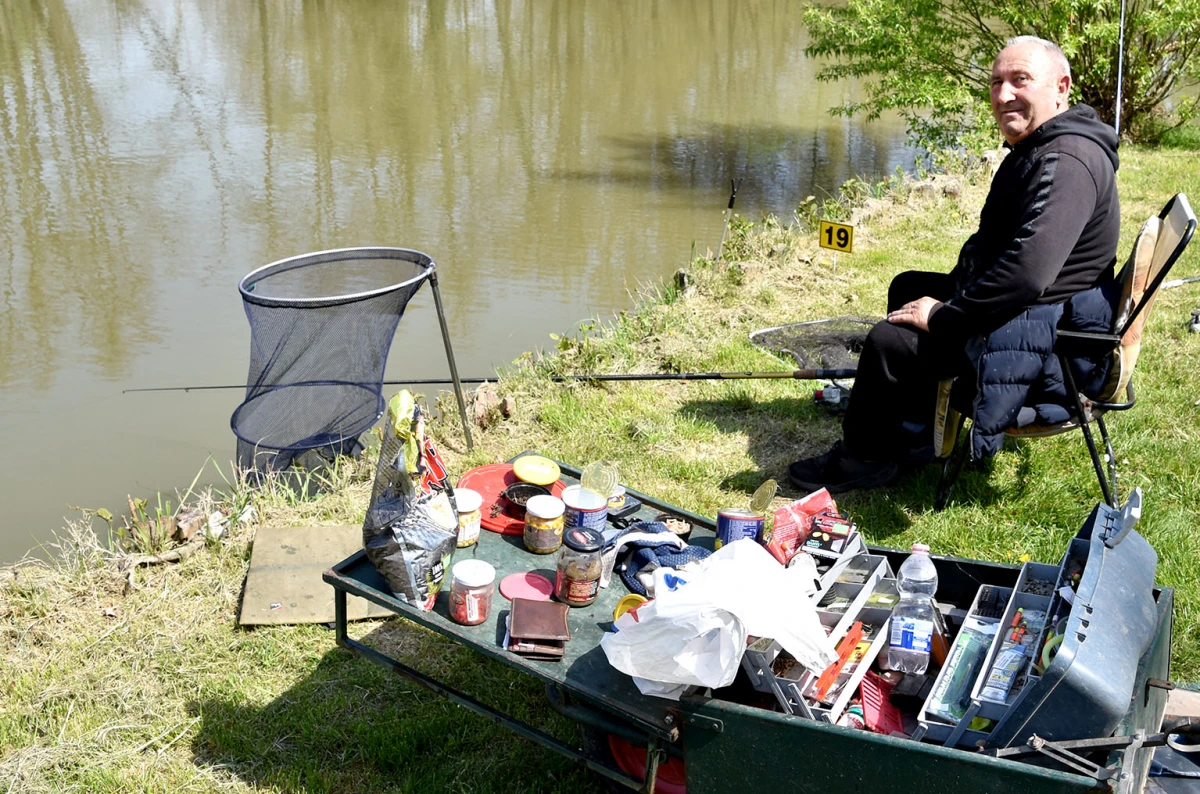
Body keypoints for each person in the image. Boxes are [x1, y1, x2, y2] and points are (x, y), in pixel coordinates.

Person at [789, 36, 1121, 493]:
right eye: (996, 82)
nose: (1003, 95)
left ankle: (862, 461)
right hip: (1039, 316)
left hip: (1048, 349)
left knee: (889, 340)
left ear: (1061, 87)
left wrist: (946, 316)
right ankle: (915, 435)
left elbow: (1027, 275)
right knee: (909, 286)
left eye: (1020, 80)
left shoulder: (1066, 161)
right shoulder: (1052, 145)